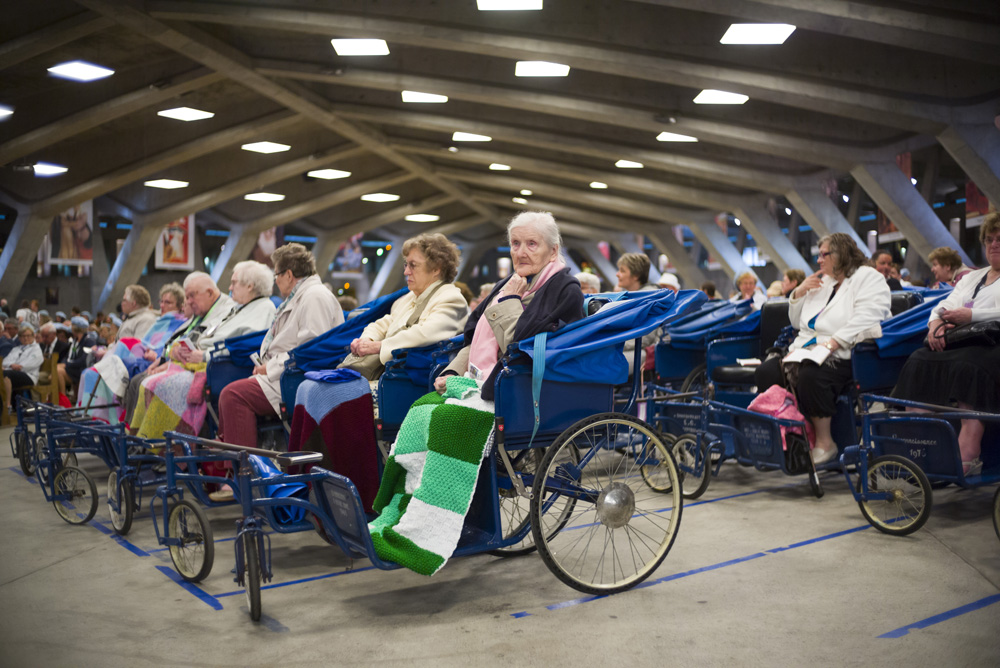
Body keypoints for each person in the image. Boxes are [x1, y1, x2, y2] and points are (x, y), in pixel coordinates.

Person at [755, 233, 891, 465]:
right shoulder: (824, 281)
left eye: (824, 254)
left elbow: (869, 317)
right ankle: (792, 435)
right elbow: (799, 323)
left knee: (811, 374)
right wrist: (798, 294)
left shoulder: (868, 277)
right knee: (767, 372)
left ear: (841, 254)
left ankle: (825, 443)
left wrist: (835, 342)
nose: (819, 260)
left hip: (849, 351)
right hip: (808, 349)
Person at [891, 213, 1000, 475]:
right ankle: (921, 446)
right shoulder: (973, 277)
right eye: (989, 239)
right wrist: (935, 324)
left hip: (991, 346)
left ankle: (969, 452)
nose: (994, 244)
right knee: (919, 359)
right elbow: (944, 305)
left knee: (969, 366)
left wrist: (970, 315)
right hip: (961, 342)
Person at [434, 211, 584, 400]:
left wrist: (511, 300)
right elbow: (475, 341)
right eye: (515, 243)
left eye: (532, 244)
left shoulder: (564, 291)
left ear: (553, 251)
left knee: (436, 420)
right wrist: (452, 372)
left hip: (522, 393)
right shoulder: (505, 286)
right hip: (482, 382)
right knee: (421, 410)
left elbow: (519, 352)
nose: (520, 253)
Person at [130, 261, 277, 439]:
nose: (229, 288)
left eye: (234, 282)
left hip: (220, 366)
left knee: (158, 385)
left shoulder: (264, 308)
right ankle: (149, 440)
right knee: (147, 381)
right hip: (204, 359)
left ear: (250, 286)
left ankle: (169, 445)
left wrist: (204, 355)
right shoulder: (240, 307)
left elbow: (245, 345)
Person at [218, 244, 343, 451]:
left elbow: (312, 349)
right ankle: (234, 468)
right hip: (285, 373)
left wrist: (271, 367)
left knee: (233, 395)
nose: (275, 281)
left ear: (289, 274)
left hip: (298, 378)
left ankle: (244, 472)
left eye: (277, 274)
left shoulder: (315, 297)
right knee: (230, 393)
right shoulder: (301, 296)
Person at [347, 234, 468, 376]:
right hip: (392, 374)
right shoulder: (410, 297)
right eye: (406, 264)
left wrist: (380, 346)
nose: (406, 272)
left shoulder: (452, 299)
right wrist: (366, 340)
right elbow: (382, 324)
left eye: (413, 265)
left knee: (329, 392)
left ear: (436, 269)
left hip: (413, 380)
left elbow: (424, 334)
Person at [122, 273, 234, 424]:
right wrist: (163, 358)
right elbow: (172, 343)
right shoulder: (200, 313)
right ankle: (133, 435)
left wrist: (169, 361)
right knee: (137, 381)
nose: (188, 302)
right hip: (177, 363)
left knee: (148, 383)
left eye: (192, 296)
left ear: (209, 292)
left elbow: (201, 346)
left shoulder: (226, 310)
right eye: (187, 297)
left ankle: (155, 440)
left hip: (200, 368)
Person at [3, 325, 43, 411]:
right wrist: (11, 365)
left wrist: (14, 366)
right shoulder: (16, 349)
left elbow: (28, 365)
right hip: (14, 372)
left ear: (33, 336)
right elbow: (5, 361)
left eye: (28, 336)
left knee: (6, 374)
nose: (26, 338)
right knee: (4, 374)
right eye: (23, 336)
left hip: (29, 375)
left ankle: (7, 405)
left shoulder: (36, 349)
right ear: (20, 338)